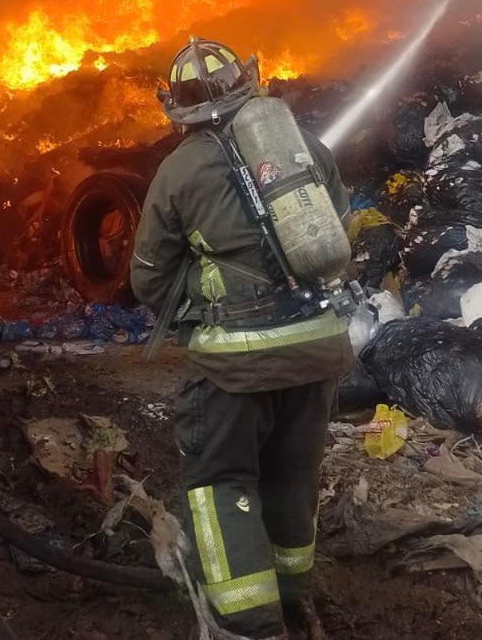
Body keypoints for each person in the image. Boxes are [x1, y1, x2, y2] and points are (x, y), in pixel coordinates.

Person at [130, 37, 353, 640]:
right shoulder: (306, 147)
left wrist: (194, 314)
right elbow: (339, 236)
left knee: (221, 483)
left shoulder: (179, 169)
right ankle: (294, 596)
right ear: (244, 81)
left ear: (179, 109)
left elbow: (148, 275)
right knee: (292, 474)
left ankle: (250, 623)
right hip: (319, 349)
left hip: (235, 364)